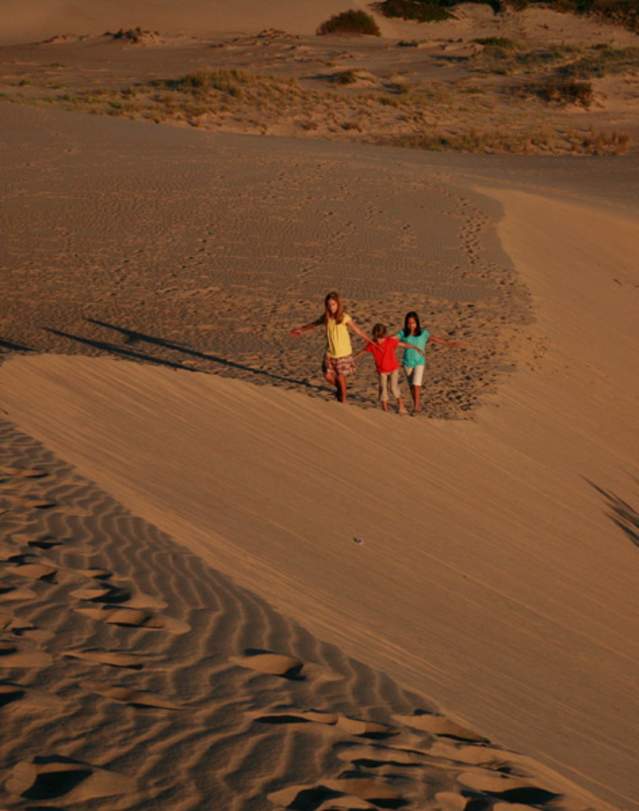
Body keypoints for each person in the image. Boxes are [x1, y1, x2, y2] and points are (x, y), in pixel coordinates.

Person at [290, 291, 371, 403]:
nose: (331, 307)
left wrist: (370, 340)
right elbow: (315, 323)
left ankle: (343, 401)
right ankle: (341, 390)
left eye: (333, 304)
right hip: (330, 352)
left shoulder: (344, 317)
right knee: (327, 375)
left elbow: (357, 329)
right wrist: (301, 329)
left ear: (338, 304)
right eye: (329, 304)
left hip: (343, 352)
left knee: (340, 376)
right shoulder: (326, 317)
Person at [396, 311, 462, 414]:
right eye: (409, 323)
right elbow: (392, 340)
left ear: (417, 322)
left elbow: (434, 339)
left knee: (416, 384)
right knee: (412, 387)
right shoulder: (402, 333)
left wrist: (448, 343)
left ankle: (417, 407)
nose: (411, 325)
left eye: (413, 323)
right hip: (407, 362)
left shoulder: (423, 332)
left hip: (420, 361)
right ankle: (416, 405)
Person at [358, 323, 424, 415]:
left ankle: (401, 406)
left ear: (385, 335)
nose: (379, 340)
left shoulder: (390, 341)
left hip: (393, 369)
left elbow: (403, 344)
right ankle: (385, 410)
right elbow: (363, 351)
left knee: (393, 388)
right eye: (377, 337)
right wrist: (353, 358)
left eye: (381, 337)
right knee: (383, 389)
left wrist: (415, 348)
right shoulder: (372, 344)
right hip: (382, 371)